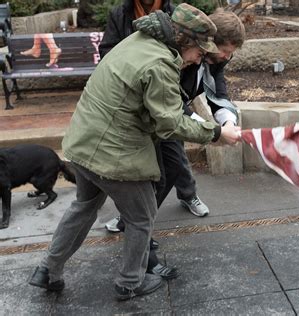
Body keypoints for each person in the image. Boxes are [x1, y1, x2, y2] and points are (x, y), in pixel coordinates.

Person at [28, 3, 241, 301]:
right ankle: (130, 282)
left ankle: (48, 269)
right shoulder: (161, 63)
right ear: (185, 42)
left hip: (83, 142)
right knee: (142, 217)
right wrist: (217, 132)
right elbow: (169, 124)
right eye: (198, 52)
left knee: (84, 206)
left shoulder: (138, 40)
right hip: (114, 152)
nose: (198, 59)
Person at [100, 0, 210, 219]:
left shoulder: (176, 13)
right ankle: (135, 218)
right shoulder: (121, 13)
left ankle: (186, 195)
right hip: (135, 100)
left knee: (174, 160)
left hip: (165, 94)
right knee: (147, 169)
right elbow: (107, 52)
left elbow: (188, 62)